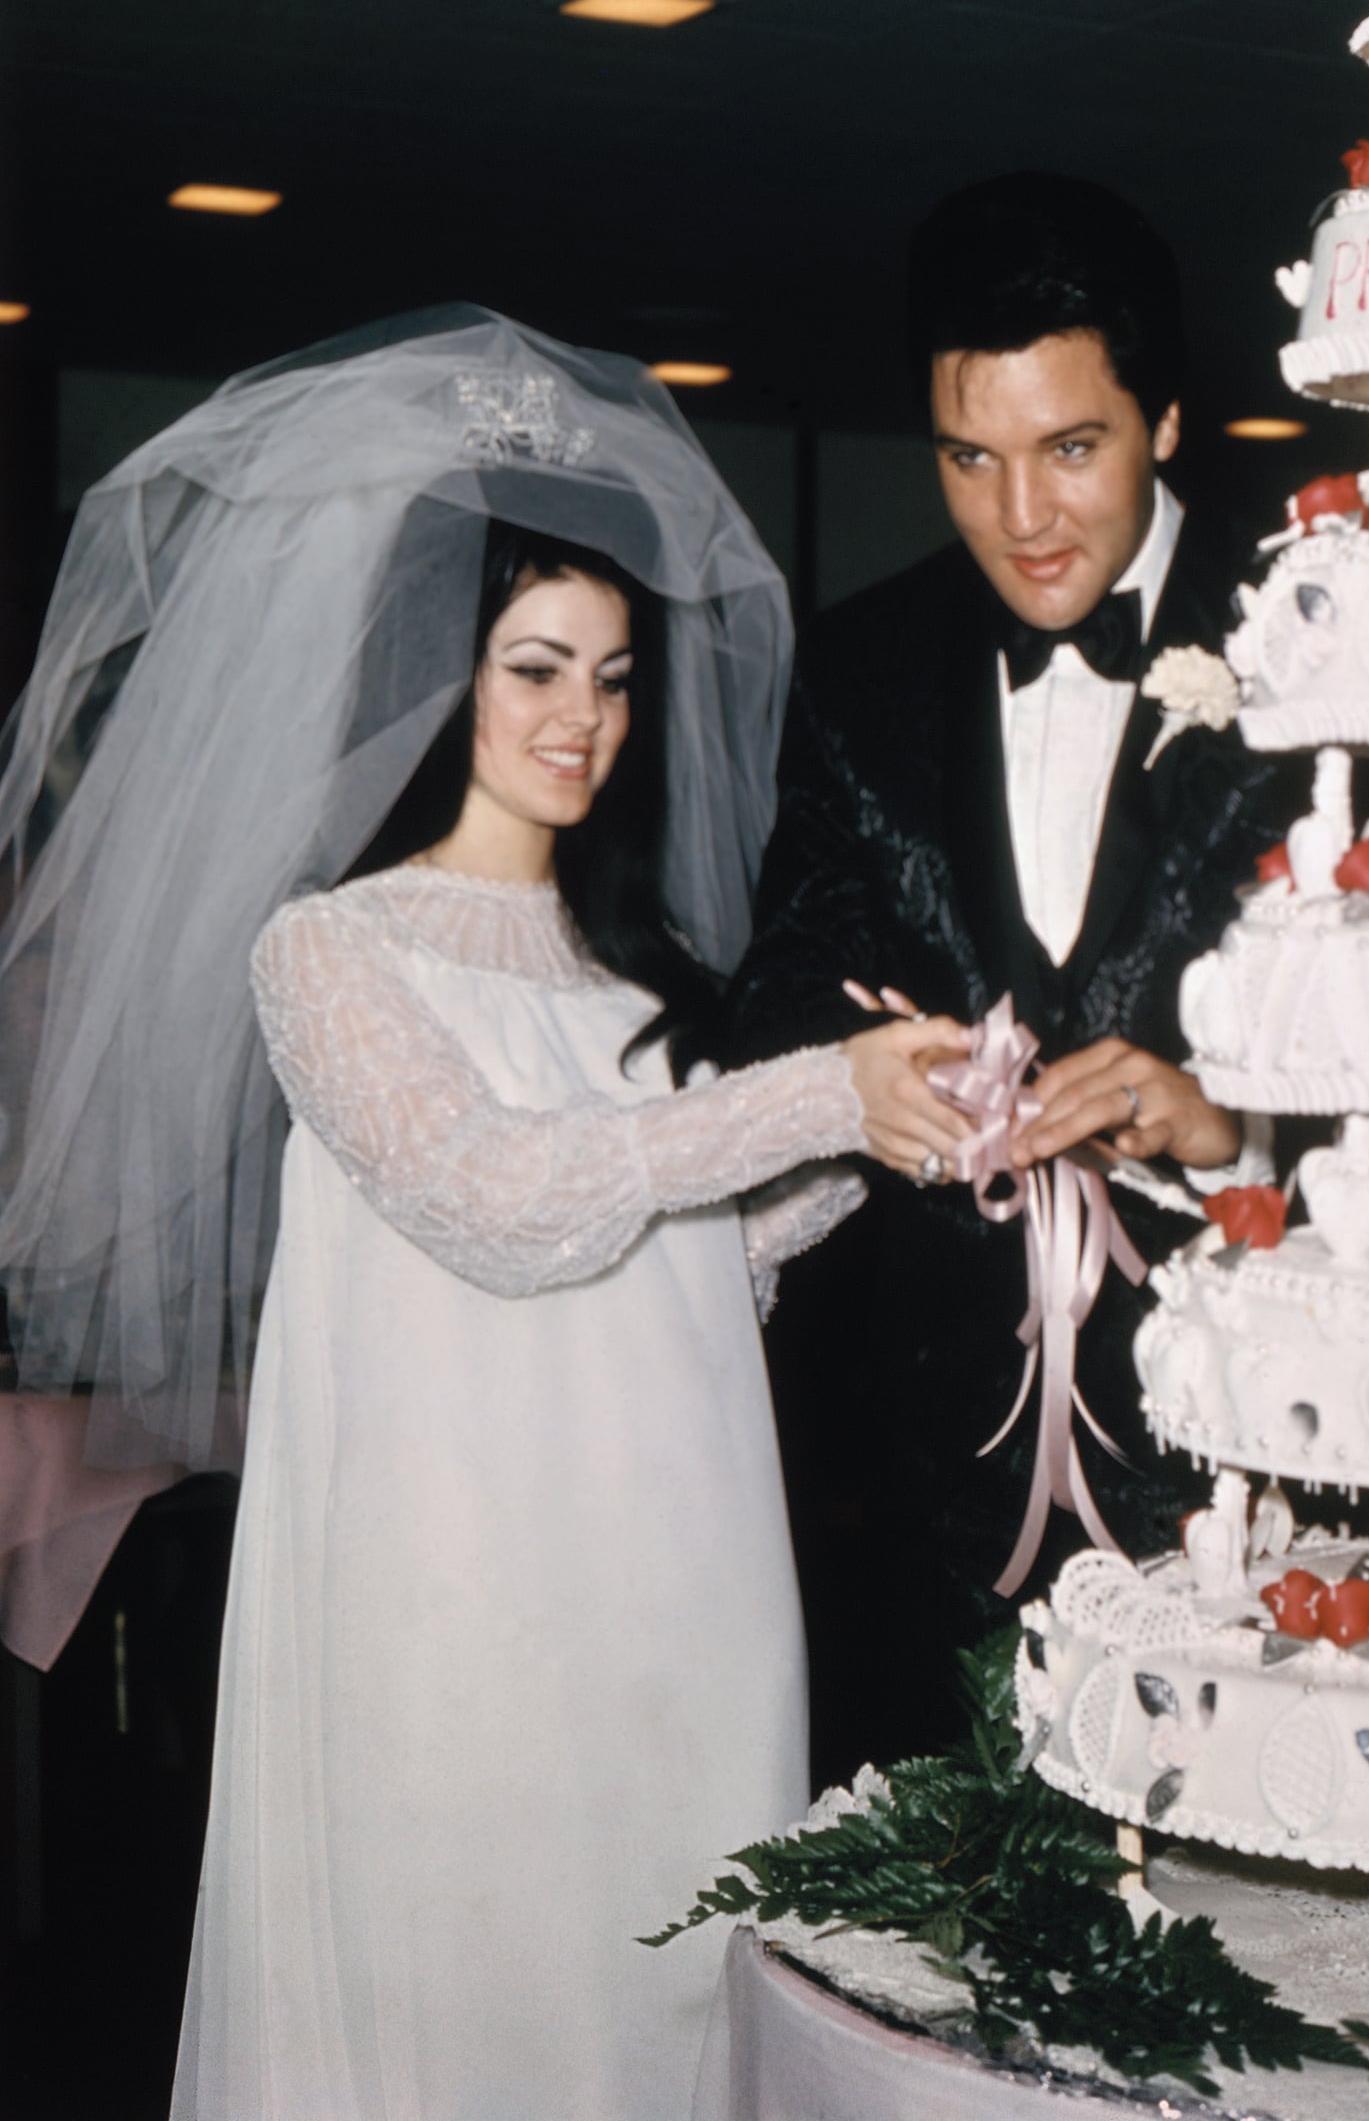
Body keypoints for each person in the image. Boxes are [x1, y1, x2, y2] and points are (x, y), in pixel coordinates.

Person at [0, 307, 965, 2116]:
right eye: (535, 669)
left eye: (610, 676)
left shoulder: (645, 972)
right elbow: (507, 1202)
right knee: (480, 1986)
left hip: (679, 1563)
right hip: (459, 1581)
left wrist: (882, 1134)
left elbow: (693, 1262)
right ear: (442, 674)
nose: (581, 719)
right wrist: (816, 1096)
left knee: (666, 1991)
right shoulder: (329, 952)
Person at [723, 173, 1286, 1764]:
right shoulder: (860, 663)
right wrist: (858, 1081)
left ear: (1168, 420)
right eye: (970, 458)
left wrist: (1229, 1122)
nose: (1019, 517)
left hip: (1259, 1454)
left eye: (1071, 449)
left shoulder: (1325, 644)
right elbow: (786, 981)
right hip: (934, 1475)